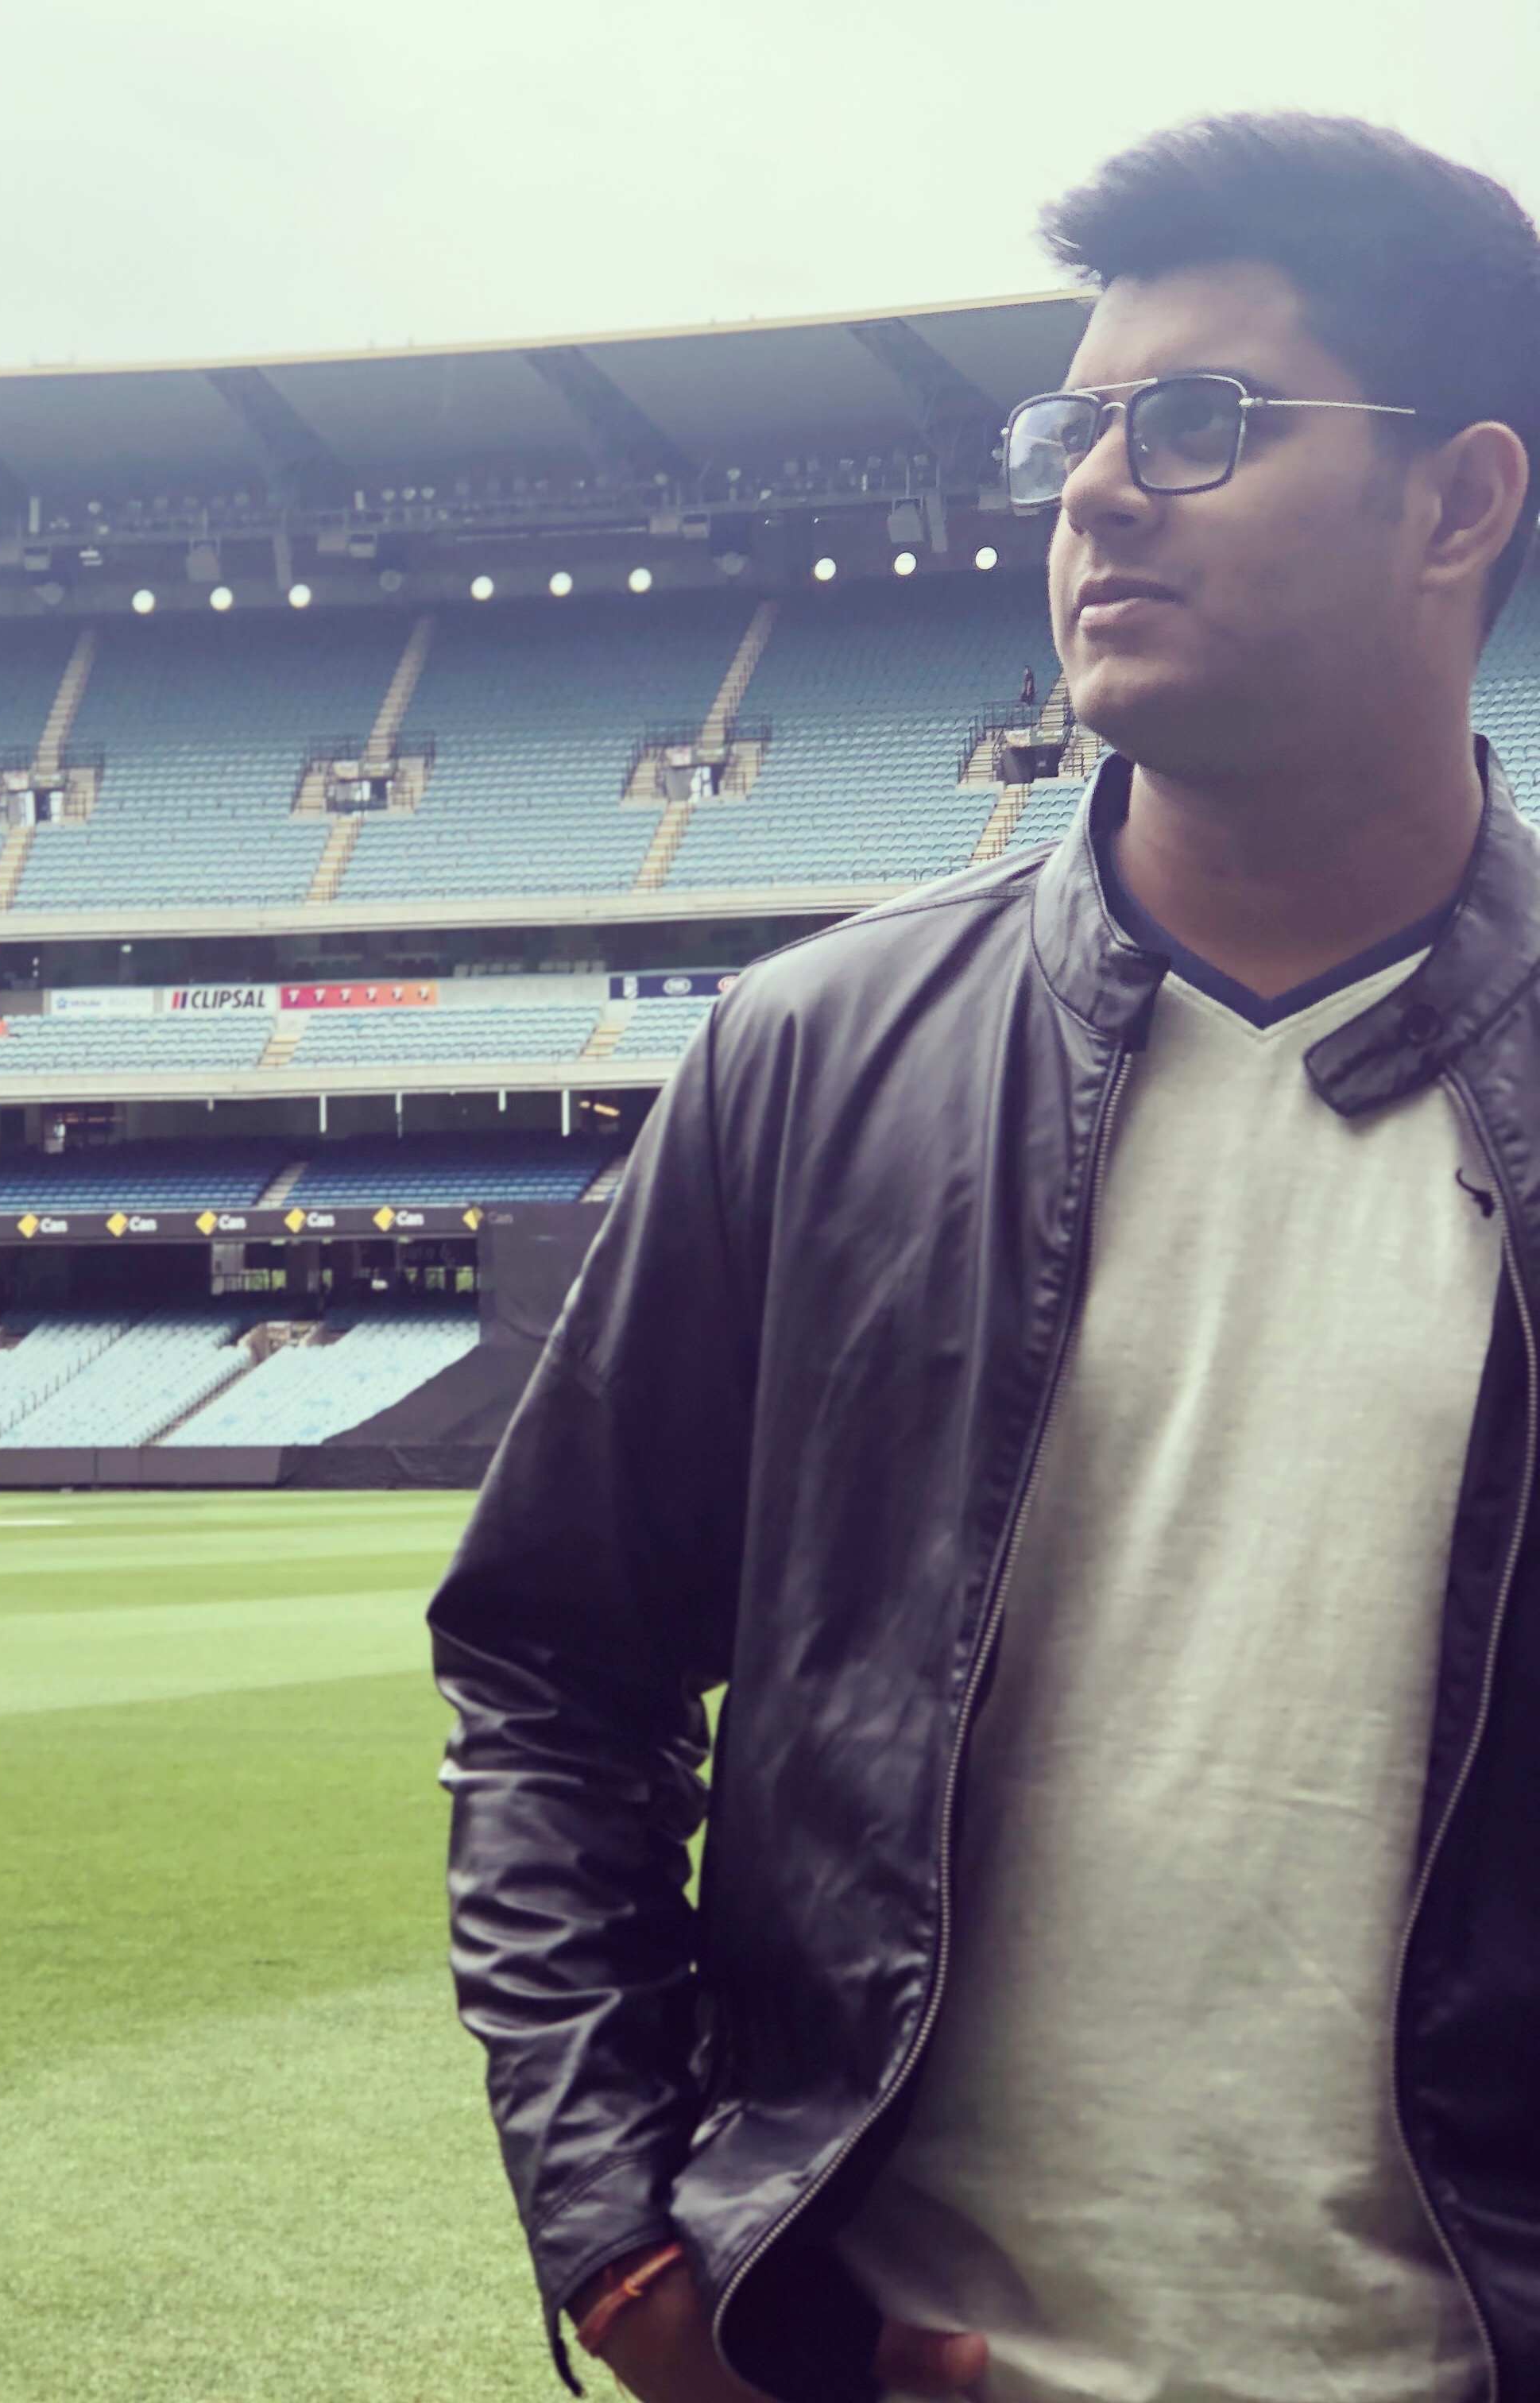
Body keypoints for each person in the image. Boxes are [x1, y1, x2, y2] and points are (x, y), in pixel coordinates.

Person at [431, 113, 1540, 2403]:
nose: (1099, 493)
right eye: (1074, 430)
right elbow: (552, 1663)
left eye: (1201, 420)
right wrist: (630, 2251)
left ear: (1459, 502)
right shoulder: (812, 1054)